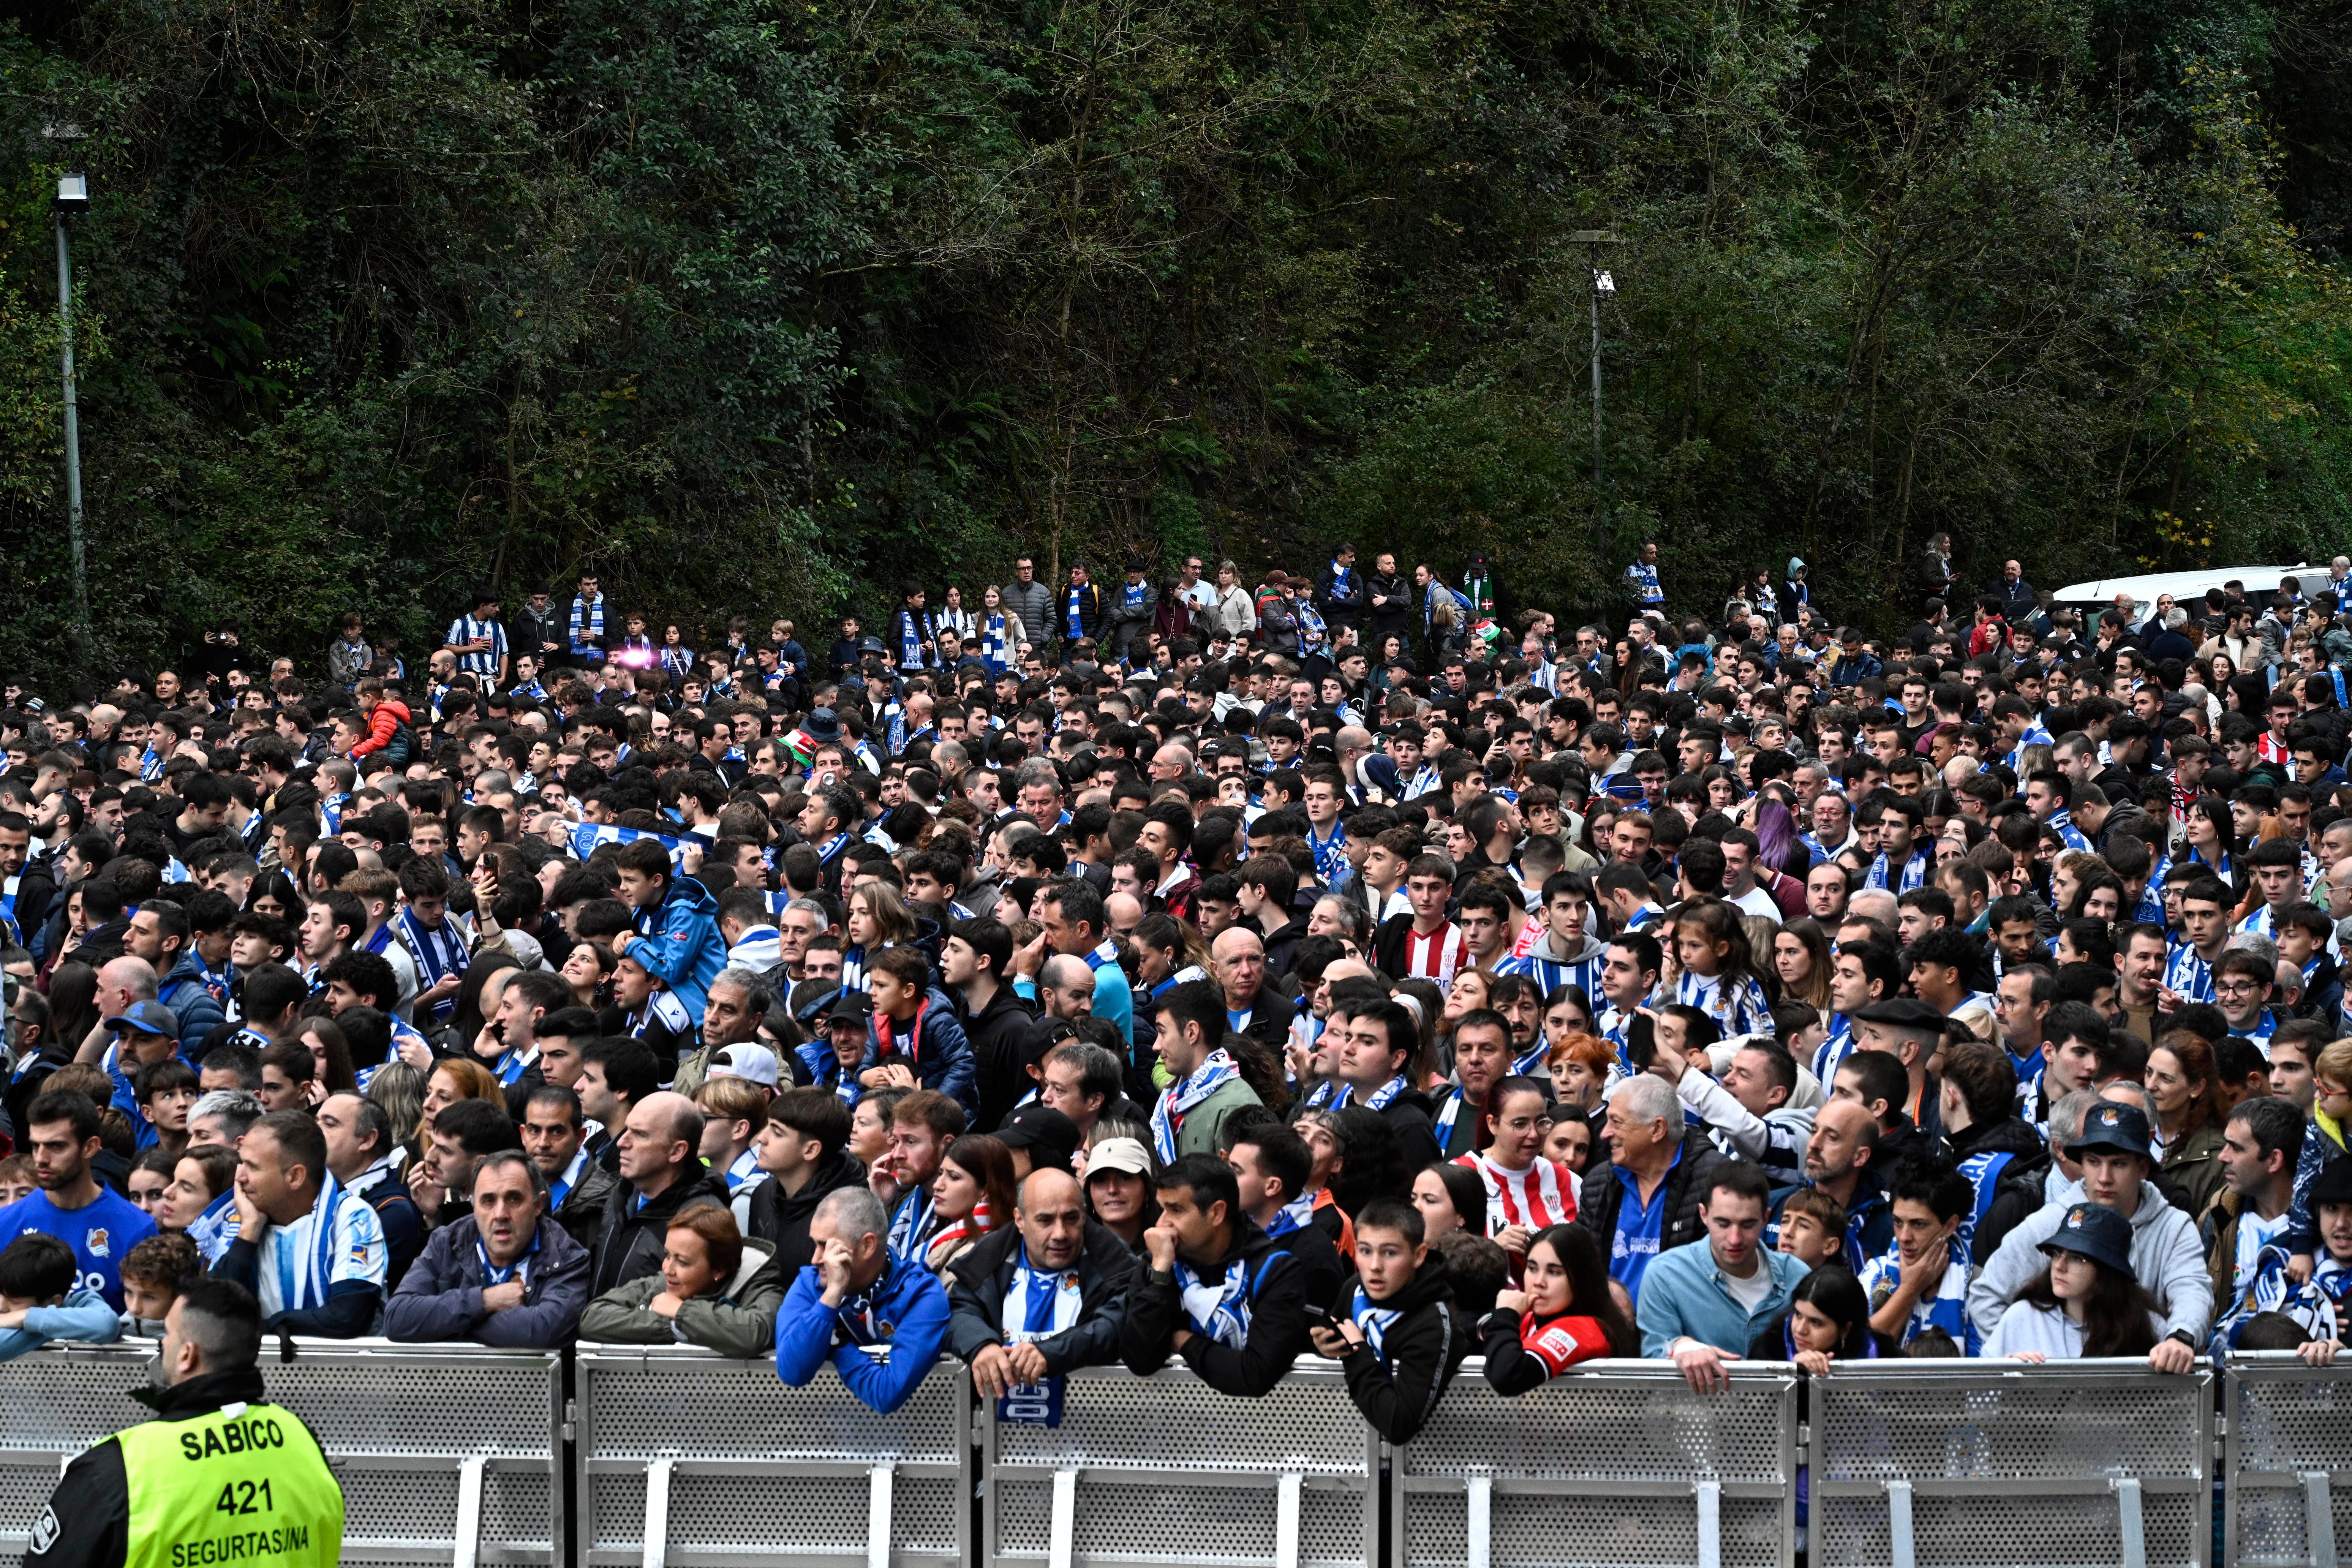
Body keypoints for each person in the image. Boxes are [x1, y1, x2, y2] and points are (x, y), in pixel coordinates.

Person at [24, 1279, 344, 1568]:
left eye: (168, 1333)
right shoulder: (302, 1441)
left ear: (187, 1355)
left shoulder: (119, 1468)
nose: (163, 1343)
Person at [1966, 1100, 2208, 1370]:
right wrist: (2022, 1361)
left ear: (2143, 1168)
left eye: (2119, 1164)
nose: (2104, 1177)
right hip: (2051, 1404)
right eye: (2094, 1162)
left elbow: (2192, 1290)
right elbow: (1986, 1296)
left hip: (2138, 1397)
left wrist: (2180, 1337)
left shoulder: (2174, 1227)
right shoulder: (2049, 1223)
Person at [1119, 1153, 1310, 1397]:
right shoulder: (1157, 1262)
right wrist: (1159, 1275)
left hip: (1269, 1427)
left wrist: (1182, 1341)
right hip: (1176, 1425)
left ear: (1216, 1214)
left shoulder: (1276, 1272)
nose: (1162, 1224)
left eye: (1176, 1210)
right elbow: (1140, 1361)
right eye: (1162, 1209)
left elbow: (1255, 1375)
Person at [946, 1168, 1135, 1406]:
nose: (1060, 1233)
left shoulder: (1114, 1264)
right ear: (1020, 1220)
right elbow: (958, 1310)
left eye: (1071, 1218)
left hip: (1089, 1425)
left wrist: (1051, 1353)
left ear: (1085, 1216)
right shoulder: (987, 1260)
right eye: (1045, 1220)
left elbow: (1116, 1325)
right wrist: (980, 1345)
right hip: (997, 1436)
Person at [384, 1150, 591, 1347]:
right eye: (488, 1201)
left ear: (538, 1204)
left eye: (514, 1199)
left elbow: (545, 1330)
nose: (500, 1214)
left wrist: (445, 1325)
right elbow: (398, 1317)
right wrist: (485, 1301)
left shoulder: (566, 1257)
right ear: (474, 1206)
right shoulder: (447, 1242)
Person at [208, 1110, 388, 1337]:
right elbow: (213, 1314)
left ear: (295, 1177)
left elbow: (346, 1317)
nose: (240, 1178)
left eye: (252, 1167)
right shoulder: (245, 1218)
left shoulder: (352, 1216)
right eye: (241, 1163)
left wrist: (271, 1326)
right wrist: (248, 1232)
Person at [773, 1187, 951, 1413]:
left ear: (867, 1246)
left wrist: (837, 1344)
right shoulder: (812, 1284)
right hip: (823, 1441)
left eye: (826, 1246)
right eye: (815, 1244)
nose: (816, 1259)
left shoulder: (921, 1294)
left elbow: (887, 1394)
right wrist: (833, 1294)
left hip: (920, 1441)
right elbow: (793, 1372)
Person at [1636, 1163, 1810, 1390]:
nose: (1735, 1238)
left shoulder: (1798, 1276)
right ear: (1703, 1215)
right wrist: (1680, 1348)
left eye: (1748, 1224)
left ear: (1766, 1218)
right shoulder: (1665, 1274)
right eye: (1723, 1224)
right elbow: (1653, 1357)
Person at [1308, 1198, 1468, 1445]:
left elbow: (1399, 1426)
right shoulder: (1356, 1289)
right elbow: (1342, 1336)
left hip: (1425, 1465)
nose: (1374, 1267)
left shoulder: (1434, 1324)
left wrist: (1356, 1353)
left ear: (1418, 1256)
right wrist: (1327, 1345)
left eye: (1390, 1253)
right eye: (1365, 1251)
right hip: (1350, 1448)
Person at [0, 1091, 159, 1312]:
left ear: (90, 1147)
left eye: (56, 1146)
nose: (41, 1159)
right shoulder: (6, 1222)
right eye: (36, 1146)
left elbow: (147, 1322)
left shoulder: (136, 1228)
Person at [579, 1201, 786, 1355]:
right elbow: (593, 1318)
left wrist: (680, 1313)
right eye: (668, 1255)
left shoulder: (759, 1284)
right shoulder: (666, 1282)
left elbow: (756, 1333)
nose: (668, 1269)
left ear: (719, 1271)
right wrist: (672, 1327)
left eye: (683, 1262)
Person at [1982, 1201, 2169, 1363]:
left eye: (2077, 1258)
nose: (2059, 1266)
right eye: (2056, 1253)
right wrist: (2008, 1380)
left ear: (2107, 1270)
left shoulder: (2150, 1326)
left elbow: (2178, 1402)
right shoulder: (2021, 1317)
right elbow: (1977, 1399)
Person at [588, 1091, 731, 1296]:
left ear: (677, 1152)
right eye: (626, 1129)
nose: (622, 1142)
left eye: (640, 1134)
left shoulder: (702, 1219)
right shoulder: (622, 1193)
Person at [1479, 1223, 1640, 1392]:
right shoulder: (1532, 1316)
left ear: (1580, 1280)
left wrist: (1506, 1315)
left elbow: (1507, 1376)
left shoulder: (1586, 1329)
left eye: (1554, 1272)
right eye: (1532, 1268)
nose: (1538, 1282)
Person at [744, 1088, 868, 1276]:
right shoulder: (762, 1195)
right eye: (767, 1126)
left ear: (811, 1150)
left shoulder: (841, 1219)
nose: (762, 1138)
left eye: (777, 1133)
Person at [0, 1234, 121, 1361]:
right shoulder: (63, 1315)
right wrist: (56, 1327)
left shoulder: (76, 1302)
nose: (1, 1307)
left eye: (14, 1301)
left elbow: (106, 1326)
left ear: (54, 1302)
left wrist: (26, 1317)